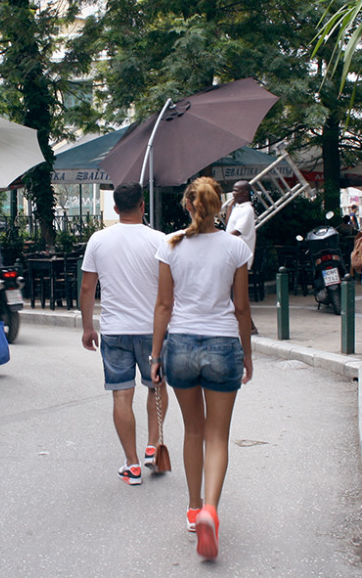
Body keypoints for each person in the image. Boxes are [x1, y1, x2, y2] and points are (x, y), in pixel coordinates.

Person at [149, 177, 253, 560]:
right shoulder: (236, 248)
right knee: (218, 436)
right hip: (223, 344)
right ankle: (211, 508)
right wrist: (248, 353)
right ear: (218, 206)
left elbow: (163, 306)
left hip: (180, 345)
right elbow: (241, 308)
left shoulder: (171, 244)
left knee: (192, 430)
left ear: (189, 205)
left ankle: (194, 510)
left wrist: (156, 356)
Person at [79, 182, 168, 487]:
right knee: (156, 388)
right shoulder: (160, 240)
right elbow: (171, 290)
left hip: (115, 330)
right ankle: (153, 448)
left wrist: (88, 326)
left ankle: (132, 465)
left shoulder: (98, 240)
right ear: (143, 205)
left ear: (115, 208)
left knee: (121, 394)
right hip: (151, 330)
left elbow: (88, 287)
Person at [224, 180, 257, 335]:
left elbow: (236, 231)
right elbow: (228, 226)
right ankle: (247, 324)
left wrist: (218, 240)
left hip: (240, 257)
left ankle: (249, 326)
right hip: (232, 255)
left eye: (236, 190)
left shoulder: (247, 210)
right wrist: (230, 208)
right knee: (233, 292)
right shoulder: (237, 207)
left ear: (245, 193)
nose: (233, 193)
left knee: (238, 293)